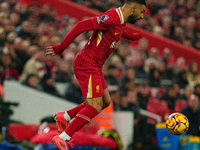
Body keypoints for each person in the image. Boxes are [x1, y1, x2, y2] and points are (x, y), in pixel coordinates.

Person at [45, 0, 146, 149]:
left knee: (104, 101)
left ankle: (65, 116)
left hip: (96, 66)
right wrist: (62, 47)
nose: (142, 16)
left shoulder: (120, 21)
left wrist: (130, 36)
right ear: (132, 8)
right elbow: (81, 25)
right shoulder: (112, 17)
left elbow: (116, 30)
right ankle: (63, 137)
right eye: (141, 11)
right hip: (87, 64)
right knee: (95, 106)